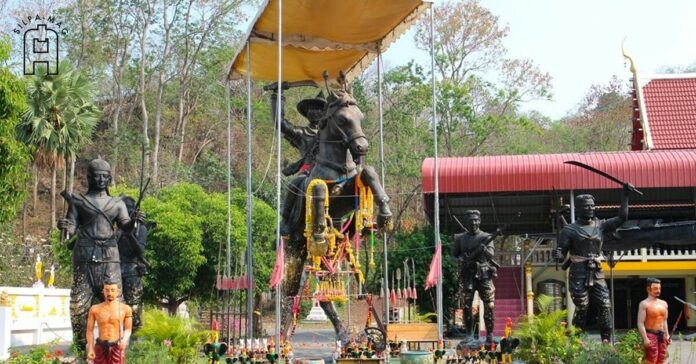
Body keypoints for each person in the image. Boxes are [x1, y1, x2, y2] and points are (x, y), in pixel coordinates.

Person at [57, 158, 143, 351]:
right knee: (79, 307)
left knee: (115, 306)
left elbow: (126, 227)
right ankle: (82, 350)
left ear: (110, 178)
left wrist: (134, 220)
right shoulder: (79, 201)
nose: (101, 179)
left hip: (110, 257)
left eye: (105, 176)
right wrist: (64, 227)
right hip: (84, 256)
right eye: (97, 175)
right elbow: (71, 226)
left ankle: (116, 350)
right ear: (89, 177)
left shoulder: (117, 203)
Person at [554, 183, 631, 342]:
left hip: (596, 271)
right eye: (587, 206)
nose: (591, 209)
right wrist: (557, 253)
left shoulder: (600, 225)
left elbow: (622, 218)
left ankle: (606, 342)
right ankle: (576, 342)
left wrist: (625, 195)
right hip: (578, 272)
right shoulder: (569, 230)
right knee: (582, 307)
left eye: (593, 206)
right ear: (579, 208)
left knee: (605, 306)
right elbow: (561, 256)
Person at [271, 92, 326, 236]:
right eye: (311, 109)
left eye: (319, 109)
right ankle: (286, 220)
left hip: (330, 169)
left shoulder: (332, 132)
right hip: (308, 170)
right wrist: (278, 98)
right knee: (294, 184)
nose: (315, 112)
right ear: (307, 113)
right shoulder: (301, 132)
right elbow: (280, 123)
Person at [452, 210, 497, 343]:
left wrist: (484, 250)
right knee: (467, 305)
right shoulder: (460, 238)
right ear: (466, 222)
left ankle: (489, 335)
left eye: (476, 220)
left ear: (480, 221)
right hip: (468, 273)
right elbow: (453, 255)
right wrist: (460, 259)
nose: (474, 223)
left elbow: (491, 255)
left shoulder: (487, 237)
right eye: (471, 221)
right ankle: (469, 334)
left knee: (489, 305)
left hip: (484, 273)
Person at [117, 196, 148, 333]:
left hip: (132, 271)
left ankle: (133, 340)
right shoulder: (115, 228)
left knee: (133, 309)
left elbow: (140, 251)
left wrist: (129, 234)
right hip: (114, 271)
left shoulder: (141, 229)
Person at [86, 282, 133, 364]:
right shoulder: (95, 309)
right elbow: (89, 331)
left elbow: (128, 329)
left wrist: (124, 341)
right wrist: (90, 348)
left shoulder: (125, 309)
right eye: (107, 290)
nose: (109, 293)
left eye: (112, 290)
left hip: (116, 346)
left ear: (117, 292)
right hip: (100, 346)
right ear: (103, 291)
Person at [637, 278, 670, 364]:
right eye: (655, 288)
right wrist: (645, 338)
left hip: (662, 336)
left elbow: (664, 321)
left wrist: (667, 335)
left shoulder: (664, 303)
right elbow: (640, 323)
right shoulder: (644, 304)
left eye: (659, 288)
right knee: (651, 360)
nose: (658, 291)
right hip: (651, 335)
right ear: (648, 289)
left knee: (661, 359)